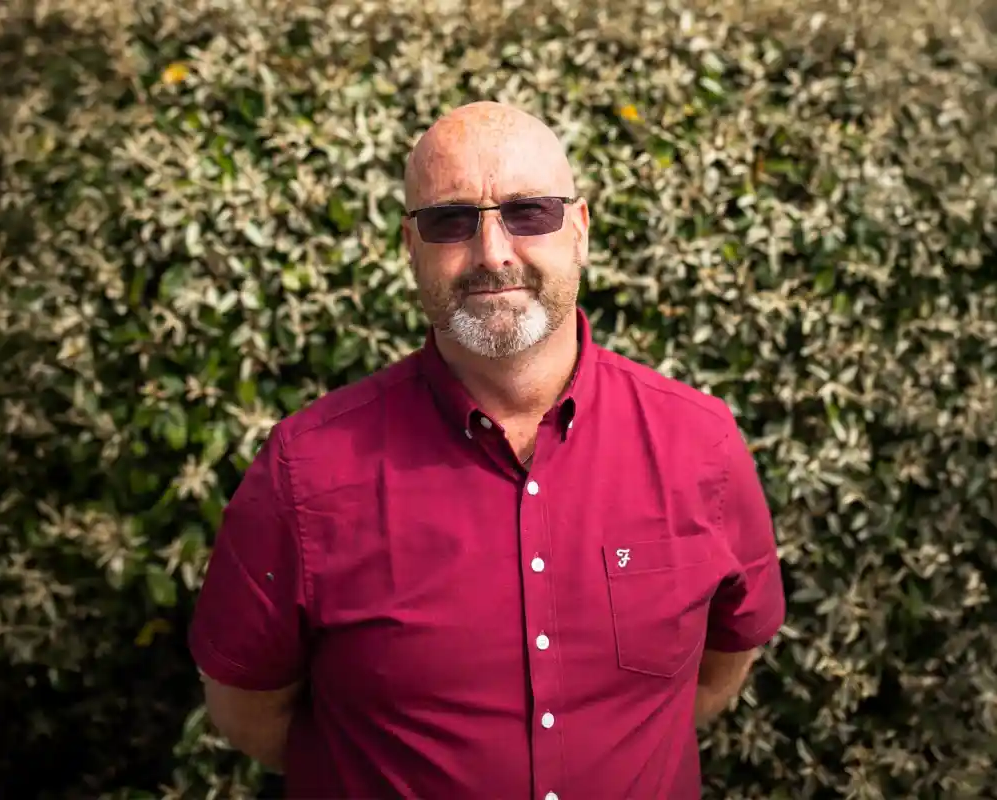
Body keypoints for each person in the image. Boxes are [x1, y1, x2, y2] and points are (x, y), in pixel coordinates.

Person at [188, 100, 786, 800]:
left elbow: (718, 668)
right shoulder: (306, 469)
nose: (493, 253)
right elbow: (250, 712)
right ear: (409, 246)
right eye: (450, 221)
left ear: (580, 229)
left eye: (528, 212)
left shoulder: (700, 445)